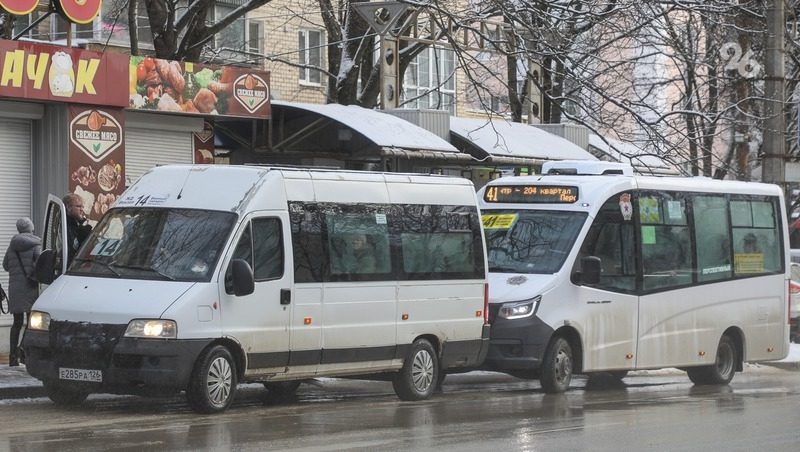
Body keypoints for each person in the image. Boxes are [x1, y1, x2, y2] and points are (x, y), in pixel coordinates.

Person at [2, 217, 41, 367]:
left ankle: (13, 358)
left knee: (17, 323)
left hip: (15, 288)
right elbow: (40, 265)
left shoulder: (12, 245)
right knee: (32, 322)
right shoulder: (35, 244)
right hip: (30, 286)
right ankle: (23, 350)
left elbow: (5, 265)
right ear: (30, 227)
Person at [63, 193, 92, 266]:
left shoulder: (79, 223)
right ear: (68, 207)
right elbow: (70, 250)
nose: (82, 209)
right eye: (78, 206)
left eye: (82, 207)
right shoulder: (64, 224)